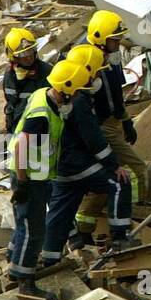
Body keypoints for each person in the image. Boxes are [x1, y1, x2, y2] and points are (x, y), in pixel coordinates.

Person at [39, 59, 137, 266]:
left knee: (59, 214)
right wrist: (114, 165)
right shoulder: (79, 102)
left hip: (58, 168)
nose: (97, 78)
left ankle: (50, 260)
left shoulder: (41, 98)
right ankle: (119, 239)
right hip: (79, 164)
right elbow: (94, 140)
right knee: (119, 183)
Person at [70, 11, 148, 242]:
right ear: (99, 37)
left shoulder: (110, 54)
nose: (118, 44)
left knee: (109, 178)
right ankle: (132, 224)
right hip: (98, 125)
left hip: (110, 121)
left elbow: (115, 92)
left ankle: (85, 230)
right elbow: (81, 101)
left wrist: (125, 120)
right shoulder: (83, 58)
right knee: (134, 169)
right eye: (114, 39)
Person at [5, 61, 74, 300]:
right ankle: (25, 281)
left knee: (25, 224)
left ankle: (14, 264)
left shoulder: (42, 95)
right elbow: (22, 146)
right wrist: (23, 183)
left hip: (34, 174)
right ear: (64, 88)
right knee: (34, 230)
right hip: (29, 176)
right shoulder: (42, 116)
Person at [1, 28, 52, 134]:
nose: (28, 57)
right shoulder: (9, 75)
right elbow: (11, 104)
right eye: (22, 55)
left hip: (41, 130)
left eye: (30, 52)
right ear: (13, 57)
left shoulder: (47, 72)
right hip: (18, 129)